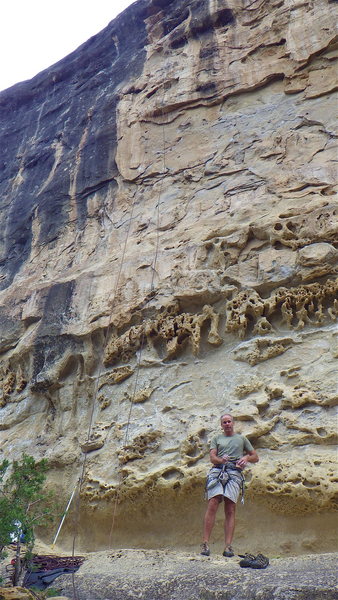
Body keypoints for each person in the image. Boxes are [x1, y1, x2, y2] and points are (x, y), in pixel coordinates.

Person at [200, 413, 259, 557]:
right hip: (218, 471)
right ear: (221, 425)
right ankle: (205, 543)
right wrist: (221, 460)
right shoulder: (216, 439)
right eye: (224, 422)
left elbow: (255, 457)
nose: (227, 424)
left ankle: (228, 546)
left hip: (234, 472)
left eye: (229, 422)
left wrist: (245, 458)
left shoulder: (241, 439)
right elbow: (212, 457)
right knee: (213, 502)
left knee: (230, 508)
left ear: (233, 423)